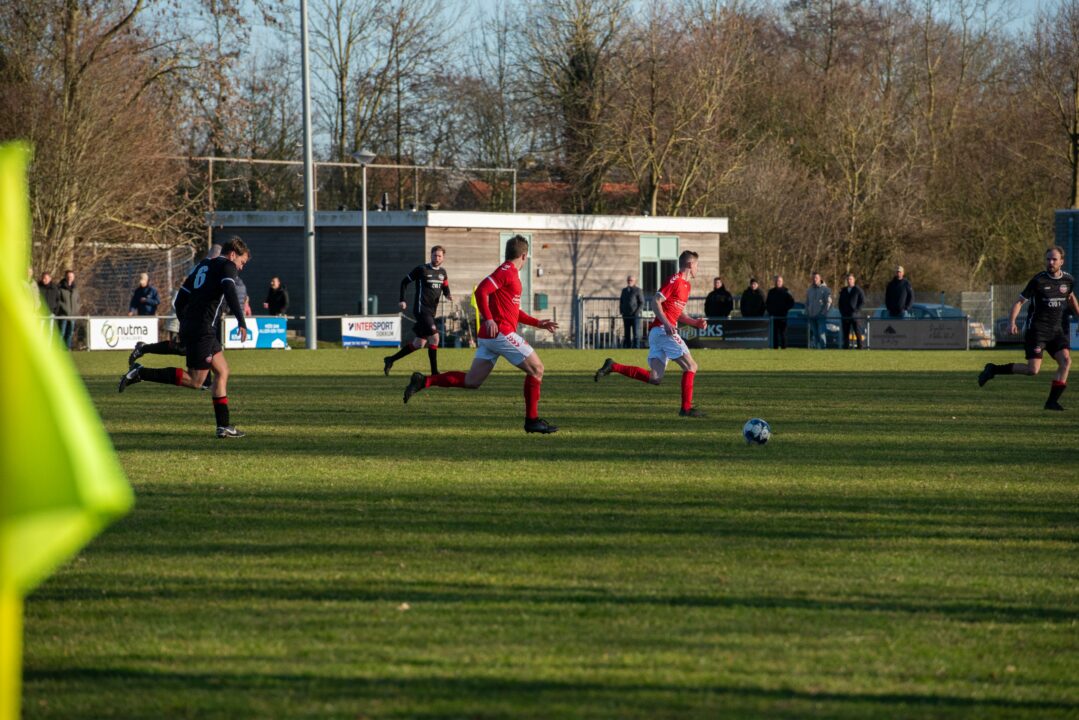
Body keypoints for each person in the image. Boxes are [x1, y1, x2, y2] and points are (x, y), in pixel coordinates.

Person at [402, 235, 559, 434]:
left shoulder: (510, 275)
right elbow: (480, 292)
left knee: (472, 382)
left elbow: (513, 311)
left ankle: (424, 381)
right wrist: (491, 319)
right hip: (500, 332)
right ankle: (532, 420)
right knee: (537, 369)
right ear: (524, 256)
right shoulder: (507, 271)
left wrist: (538, 323)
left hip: (489, 335)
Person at [118, 237, 251, 438]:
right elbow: (230, 290)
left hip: (197, 325)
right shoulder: (227, 266)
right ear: (233, 254)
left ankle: (223, 426)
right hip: (203, 329)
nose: (240, 268)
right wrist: (241, 320)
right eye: (242, 262)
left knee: (222, 371)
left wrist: (186, 321)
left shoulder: (203, 265)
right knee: (197, 381)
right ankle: (140, 373)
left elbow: (181, 297)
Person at [594, 250, 709, 417]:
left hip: (659, 332)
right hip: (663, 331)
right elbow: (655, 301)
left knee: (655, 378)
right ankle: (685, 408)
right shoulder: (674, 280)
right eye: (697, 265)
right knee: (691, 366)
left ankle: (613, 366)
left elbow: (678, 313)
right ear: (690, 265)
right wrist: (667, 323)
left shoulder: (687, 286)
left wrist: (695, 322)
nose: (698, 268)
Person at [979, 246, 1078, 411]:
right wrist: (1012, 322)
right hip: (1037, 331)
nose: (1050, 262)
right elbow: (1019, 302)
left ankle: (1052, 402)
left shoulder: (1068, 280)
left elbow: (1071, 297)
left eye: (1054, 259)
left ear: (1062, 261)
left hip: (1056, 331)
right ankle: (993, 369)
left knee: (1066, 361)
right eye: (1048, 259)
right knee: (1033, 370)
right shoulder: (1038, 280)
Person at [384, 246, 454, 375]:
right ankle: (434, 372)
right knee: (435, 338)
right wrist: (402, 299)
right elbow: (404, 282)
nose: (436, 258)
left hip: (431, 312)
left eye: (439, 256)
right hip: (421, 310)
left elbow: (445, 287)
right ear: (430, 255)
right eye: (434, 255)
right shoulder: (422, 269)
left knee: (419, 343)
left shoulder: (443, 273)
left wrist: (448, 294)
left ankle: (390, 359)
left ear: (443, 258)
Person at [765, 275, 795, 349]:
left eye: (779, 281)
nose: (778, 282)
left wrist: (785, 309)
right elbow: (767, 303)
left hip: (783, 316)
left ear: (782, 282)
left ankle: (783, 348)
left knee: (783, 334)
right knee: (774, 334)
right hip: (773, 316)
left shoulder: (786, 291)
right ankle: (774, 348)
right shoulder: (771, 292)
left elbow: (791, 302)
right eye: (777, 281)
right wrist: (770, 312)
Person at [838, 273, 866, 349]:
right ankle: (846, 347)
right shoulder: (843, 290)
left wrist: (856, 311)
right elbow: (840, 303)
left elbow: (862, 301)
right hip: (845, 315)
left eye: (850, 279)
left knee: (858, 332)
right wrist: (842, 312)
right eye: (848, 279)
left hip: (855, 316)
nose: (849, 281)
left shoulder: (858, 290)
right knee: (845, 333)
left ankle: (860, 347)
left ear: (854, 280)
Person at [805, 272, 832, 349]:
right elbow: (807, 302)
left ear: (820, 278)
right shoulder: (809, 290)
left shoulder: (826, 290)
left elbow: (829, 302)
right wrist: (807, 312)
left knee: (821, 334)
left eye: (816, 278)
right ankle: (816, 350)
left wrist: (823, 313)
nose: (814, 279)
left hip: (821, 316)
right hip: (812, 316)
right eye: (813, 278)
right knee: (815, 334)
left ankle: (823, 350)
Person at [55, 269, 80, 349]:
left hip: (72, 316)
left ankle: (67, 349)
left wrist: (76, 309)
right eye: (68, 276)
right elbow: (58, 301)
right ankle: (59, 349)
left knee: (70, 333)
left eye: (71, 276)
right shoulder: (60, 288)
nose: (70, 278)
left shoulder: (75, 289)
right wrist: (64, 308)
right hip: (63, 315)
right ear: (65, 277)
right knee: (61, 333)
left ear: (74, 277)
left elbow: (78, 301)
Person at [619, 275, 645, 348]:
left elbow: (642, 302)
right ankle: (628, 347)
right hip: (626, 315)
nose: (629, 282)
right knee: (627, 333)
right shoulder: (624, 290)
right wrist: (622, 311)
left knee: (636, 333)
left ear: (634, 281)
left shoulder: (638, 290)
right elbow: (621, 301)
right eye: (628, 280)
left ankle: (636, 348)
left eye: (631, 280)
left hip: (635, 315)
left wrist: (637, 312)